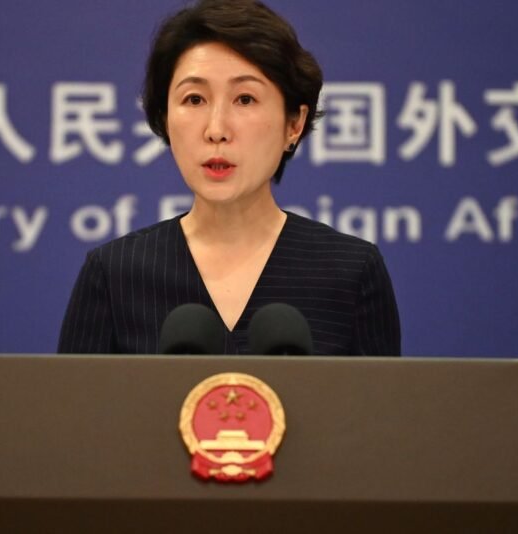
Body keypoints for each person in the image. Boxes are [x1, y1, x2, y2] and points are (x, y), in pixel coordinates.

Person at [58, 0, 400, 355]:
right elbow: (72, 394)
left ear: (294, 124)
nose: (216, 129)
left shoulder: (351, 273)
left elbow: (381, 394)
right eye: (194, 99)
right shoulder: (115, 275)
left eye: (245, 99)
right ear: (164, 119)